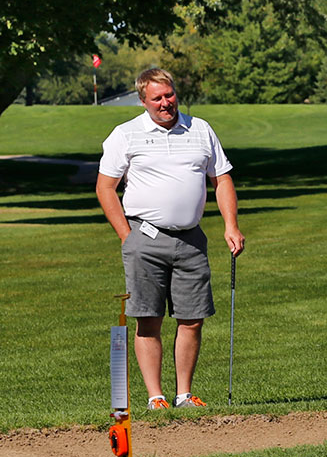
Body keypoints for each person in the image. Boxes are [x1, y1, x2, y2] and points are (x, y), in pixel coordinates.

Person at [96, 67, 244, 410]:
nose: (166, 103)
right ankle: (155, 397)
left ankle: (184, 394)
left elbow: (221, 179)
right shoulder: (126, 134)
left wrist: (230, 225)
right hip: (144, 238)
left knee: (192, 318)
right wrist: (126, 236)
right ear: (143, 101)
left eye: (169, 95)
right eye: (157, 98)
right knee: (148, 319)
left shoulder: (200, 129)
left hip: (191, 240)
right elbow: (105, 188)